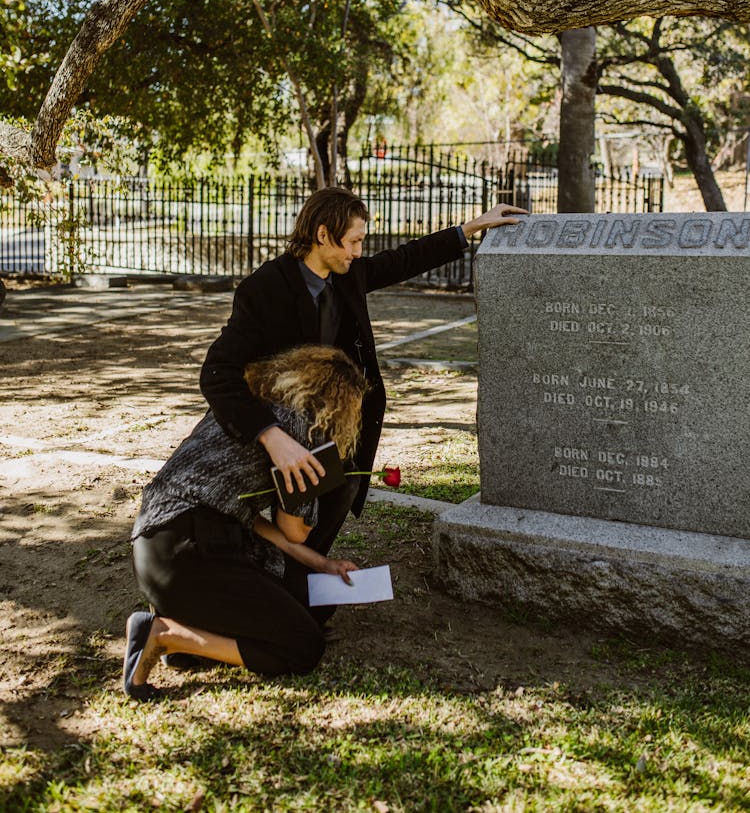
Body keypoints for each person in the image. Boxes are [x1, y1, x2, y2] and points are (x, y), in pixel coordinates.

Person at [123, 187, 526, 698]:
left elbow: (401, 261)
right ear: (321, 234)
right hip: (287, 428)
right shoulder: (266, 288)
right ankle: (239, 613)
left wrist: (470, 229)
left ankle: (270, 599)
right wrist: (272, 437)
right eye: (352, 241)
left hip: (333, 420)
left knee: (321, 540)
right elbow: (218, 374)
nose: (359, 252)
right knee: (298, 557)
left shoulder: (348, 273)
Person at [124, 344, 367, 700]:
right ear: (340, 408)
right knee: (304, 646)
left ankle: (188, 627)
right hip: (190, 555)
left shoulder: (250, 411)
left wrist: (323, 563)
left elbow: (249, 520)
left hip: (155, 546)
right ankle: (164, 634)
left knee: (316, 597)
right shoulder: (302, 433)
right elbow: (292, 530)